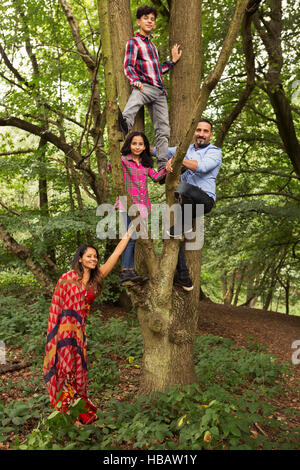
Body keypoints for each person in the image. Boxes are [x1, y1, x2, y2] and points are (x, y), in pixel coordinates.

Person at [43, 233, 135, 424]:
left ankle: (77, 414)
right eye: (89, 256)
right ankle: (63, 413)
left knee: (78, 371)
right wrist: (56, 335)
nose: (94, 259)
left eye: (95, 256)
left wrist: (129, 231)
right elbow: (56, 307)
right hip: (63, 333)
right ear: (80, 259)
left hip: (79, 333)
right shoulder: (67, 279)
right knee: (64, 370)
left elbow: (116, 254)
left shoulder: (96, 279)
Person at [153, 119, 222, 291]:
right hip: (185, 201)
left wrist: (177, 159)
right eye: (198, 130)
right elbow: (158, 150)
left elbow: (202, 167)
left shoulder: (214, 152)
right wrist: (138, 147)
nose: (201, 134)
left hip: (204, 200)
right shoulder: (187, 149)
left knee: (182, 187)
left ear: (210, 135)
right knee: (168, 235)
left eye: (205, 131)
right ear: (194, 133)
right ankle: (184, 277)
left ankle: (184, 226)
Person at [118, 4, 182, 172]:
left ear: (154, 24)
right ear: (139, 21)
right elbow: (128, 65)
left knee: (163, 130)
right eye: (146, 18)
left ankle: (162, 166)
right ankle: (124, 123)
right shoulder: (134, 42)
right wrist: (135, 80)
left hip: (160, 91)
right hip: (144, 87)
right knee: (135, 98)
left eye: (152, 19)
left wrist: (172, 62)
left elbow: (157, 70)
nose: (149, 21)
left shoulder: (152, 47)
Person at [115, 131, 171, 286]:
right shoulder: (123, 160)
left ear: (145, 146)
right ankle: (126, 271)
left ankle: (129, 270)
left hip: (143, 207)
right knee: (129, 237)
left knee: (134, 238)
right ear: (129, 145)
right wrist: (115, 156)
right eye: (134, 143)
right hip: (127, 204)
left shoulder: (146, 164)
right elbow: (110, 169)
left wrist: (166, 168)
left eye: (140, 144)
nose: (137, 147)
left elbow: (156, 177)